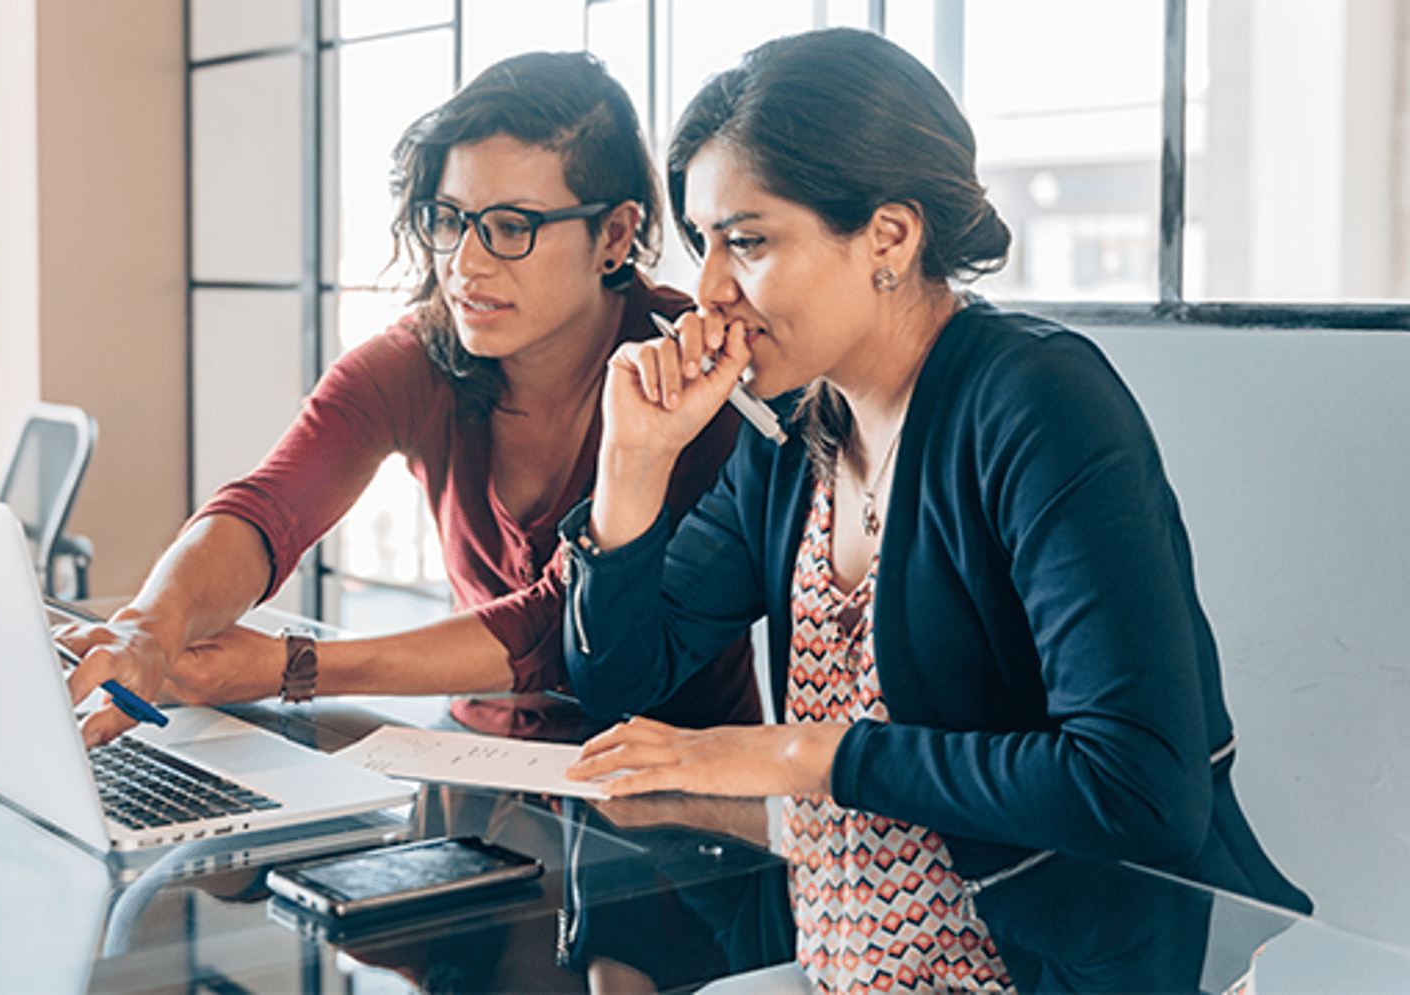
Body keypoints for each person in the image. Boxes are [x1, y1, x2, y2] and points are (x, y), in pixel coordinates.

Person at [557, 28, 1310, 993]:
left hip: (1042, 974)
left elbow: (1138, 786)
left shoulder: (1036, 403)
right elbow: (621, 675)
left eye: (746, 241)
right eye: (704, 242)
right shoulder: (796, 430)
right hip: (838, 967)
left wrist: (801, 753)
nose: (707, 291)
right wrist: (632, 466)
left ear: (889, 237)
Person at [61, 50, 757, 747]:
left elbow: (555, 629)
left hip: (675, 793)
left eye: (512, 227)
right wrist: (152, 625)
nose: (465, 264)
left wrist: (295, 665)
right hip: (473, 757)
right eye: (450, 219)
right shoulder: (422, 356)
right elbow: (269, 505)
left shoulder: (690, 375)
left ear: (614, 235)